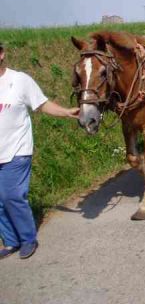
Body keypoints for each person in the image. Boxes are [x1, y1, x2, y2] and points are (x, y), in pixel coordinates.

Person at [0, 42, 79, 260]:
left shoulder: (19, 81)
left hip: (16, 150)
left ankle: (27, 239)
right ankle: (10, 241)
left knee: (12, 195)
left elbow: (42, 104)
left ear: (1, 54)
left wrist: (66, 112)